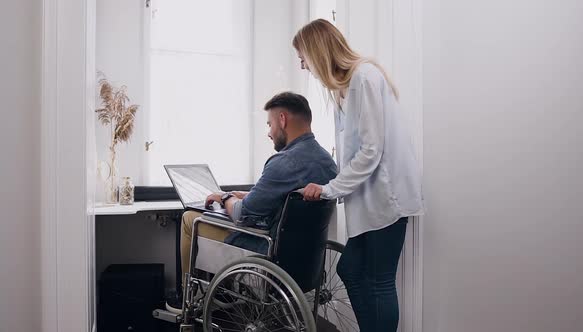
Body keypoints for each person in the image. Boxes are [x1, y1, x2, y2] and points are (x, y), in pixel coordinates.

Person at [294, 19, 424, 331]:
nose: (302, 65)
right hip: (369, 199)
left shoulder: (364, 77)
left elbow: (371, 150)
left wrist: (329, 189)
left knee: (379, 281)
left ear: (318, 52)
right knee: (350, 269)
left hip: (386, 198)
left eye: (303, 57)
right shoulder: (343, 89)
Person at [166, 91, 337, 313]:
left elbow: (241, 215)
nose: (269, 133)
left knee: (190, 218)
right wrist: (244, 193)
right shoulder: (327, 163)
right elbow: (285, 198)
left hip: (266, 249)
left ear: (283, 120)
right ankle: (224, 291)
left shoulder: (283, 162)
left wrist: (226, 197)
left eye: (270, 124)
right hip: (304, 259)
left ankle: (188, 298)